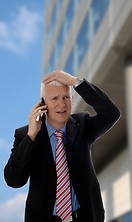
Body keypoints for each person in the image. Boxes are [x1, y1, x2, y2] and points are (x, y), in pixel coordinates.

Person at [4, 70, 120, 222]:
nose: (62, 104)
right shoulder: (25, 135)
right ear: (42, 104)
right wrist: (31, 136)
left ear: (72, 99)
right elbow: (14, 180)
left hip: (86, 216)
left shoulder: (82, 125)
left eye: (66, 97)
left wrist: (76, 82)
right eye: (54, 98)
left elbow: (111, 114)